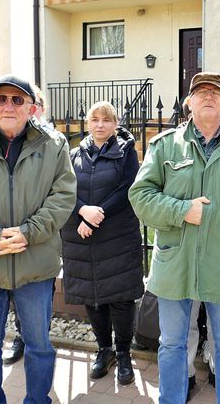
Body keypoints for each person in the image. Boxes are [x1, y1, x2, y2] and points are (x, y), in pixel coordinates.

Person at [129, 71, 220, 404]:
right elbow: (140, 196)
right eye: (201, 92)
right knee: (172, 343)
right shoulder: (164, 145)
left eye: (216, 93)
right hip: (175, 262)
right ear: (188, 102)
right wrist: (182, 210)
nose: (208, 96)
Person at [0, 74, 76, 403]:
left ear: (31, 108)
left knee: (39, 346)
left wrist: (28, 232)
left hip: (34, 264)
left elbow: (63, 196)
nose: (9, 106)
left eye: (17, 100)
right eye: (1, 99)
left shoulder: (54, 145)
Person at [61, 101, 144, 385]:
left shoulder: (126, 152)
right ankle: (104, 349)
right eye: (95, 119)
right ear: (87, 123)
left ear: (115, 124)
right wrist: (83, 211)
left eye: (106, 120)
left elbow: (127, 189)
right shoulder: (74, 155)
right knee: (93, 297)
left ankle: (123, 353)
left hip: (117, 236)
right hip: (82, 237)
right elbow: (64, 190)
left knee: (120, 298)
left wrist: (96, 216)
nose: (100, 125)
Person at [3, 84, 54, 366]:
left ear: (38, 109)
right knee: (14, 288)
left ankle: (38, 335)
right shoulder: (8, 139)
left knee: (41, 293)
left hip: (41, 234)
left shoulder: (53, 142)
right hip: (11, 235)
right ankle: (22, 335)